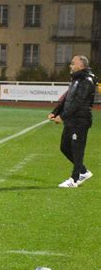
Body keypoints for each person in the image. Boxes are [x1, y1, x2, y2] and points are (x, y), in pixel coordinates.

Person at [48, 55, 97, 188]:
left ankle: (74, 180)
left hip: (81, 121)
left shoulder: (87, 81)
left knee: (77, 150)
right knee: (64, 147)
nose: (70, 66)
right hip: (71, 120)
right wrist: (55, 112)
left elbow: (78, 103)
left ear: (81, 66)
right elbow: (67, 99)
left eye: (73, 63)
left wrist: (62, 117)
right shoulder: (76, 80)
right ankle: (83, 171)